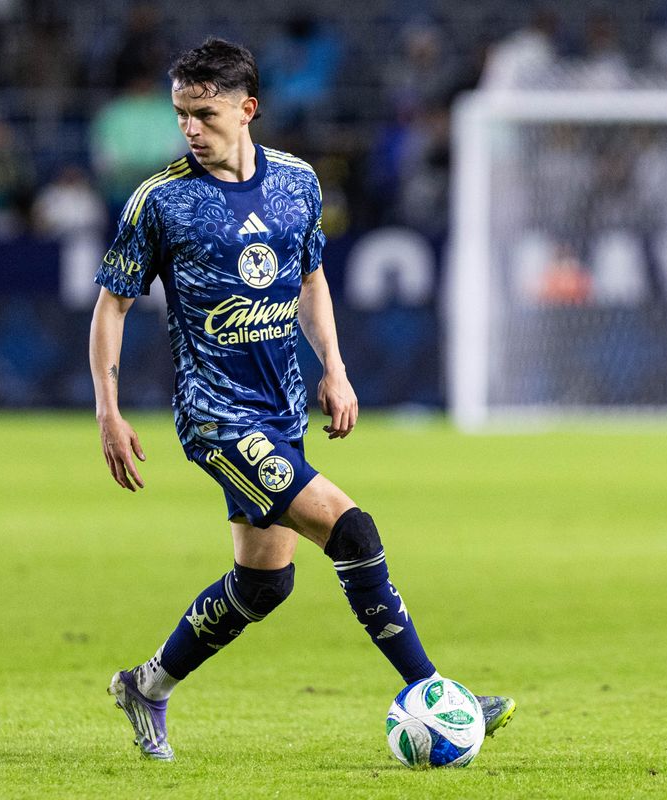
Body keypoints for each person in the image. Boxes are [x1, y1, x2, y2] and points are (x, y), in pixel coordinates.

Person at [89, 37, 515, 762]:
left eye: (205, 112)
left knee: (264, 584)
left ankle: (148, 686)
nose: (190, 128)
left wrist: (336, 368)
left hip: (281, 410)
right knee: (354, 532)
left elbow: (310, 278)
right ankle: (437, 693)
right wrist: (109, 409)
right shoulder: (160, 200)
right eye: (181, 113)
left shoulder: (297, 184)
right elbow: (113, 305)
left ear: (247, 108)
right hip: (217, 416)